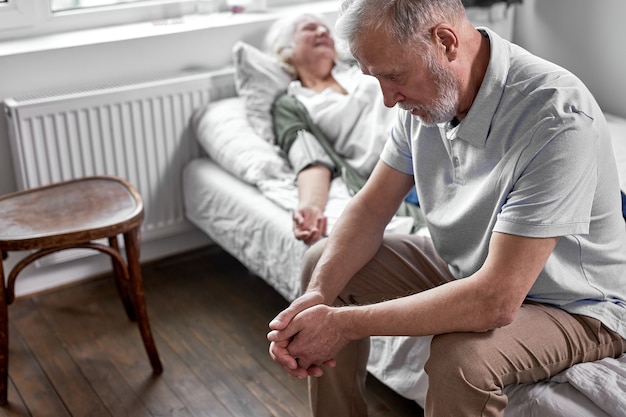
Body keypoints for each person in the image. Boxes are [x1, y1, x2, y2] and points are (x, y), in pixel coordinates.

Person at [266, 0, 626, 416]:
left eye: (393, 76)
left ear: (445, 42)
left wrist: (342, 323)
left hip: (577, 305)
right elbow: (369, 210)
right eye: (376, 78)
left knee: (461, 360)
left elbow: (495, 300)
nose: (387, 99)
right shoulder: (419, 100)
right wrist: (317, 301)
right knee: (321, 262)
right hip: (474, 267)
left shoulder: (556, 116)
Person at [265, 13, 401, 244]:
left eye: (325, 29)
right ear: (286, 49)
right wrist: (311, 206)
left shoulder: (362, 67)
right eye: (310, 29)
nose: (322, 32)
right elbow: (311, 159)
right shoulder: (292, 103)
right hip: (395, 170)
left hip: (428, 139)